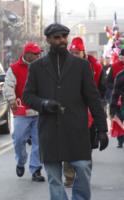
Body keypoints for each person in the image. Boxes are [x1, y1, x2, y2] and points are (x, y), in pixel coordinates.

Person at [23, 23, 109, 200]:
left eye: (64, 36)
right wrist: (44, 103)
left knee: (83, 169)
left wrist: (102, 129)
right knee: (55, 179)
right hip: (50, 131)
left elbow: (93, 99)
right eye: (57, 37)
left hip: (76, 130)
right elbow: (27, 96)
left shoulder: (81, 66)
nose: (62, 40)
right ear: (48, 40)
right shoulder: (37, 67)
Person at [62, 36, 107, 187]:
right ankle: (69, 176)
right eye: (72, 52)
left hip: (89, 112)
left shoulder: (96, 67)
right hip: (68, 111)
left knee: (86, 147)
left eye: (77, 52)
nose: (74, 55)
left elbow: (101, 90)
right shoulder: (63, 65)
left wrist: (100, 110)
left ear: (83, 52)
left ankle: (83, 176)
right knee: (67, 145)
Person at [3, 42, 45, 182]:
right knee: (19, 139)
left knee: (39, 141)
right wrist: (11, 99)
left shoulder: (43, 67)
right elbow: (8, 85)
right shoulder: (14, 69)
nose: (38, 55)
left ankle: (36, 169)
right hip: (22, 111)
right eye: (35, 53)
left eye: (39, 53)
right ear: (27, 54)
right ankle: (21, 161)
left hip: (39, 111)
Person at [107, 49, 124, 147]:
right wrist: (112, 88)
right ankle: (120, 140)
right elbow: (108, 81)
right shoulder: (114, 67)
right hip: (118, 98)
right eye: (121, 56)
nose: (122, 58)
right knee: (119, 119)